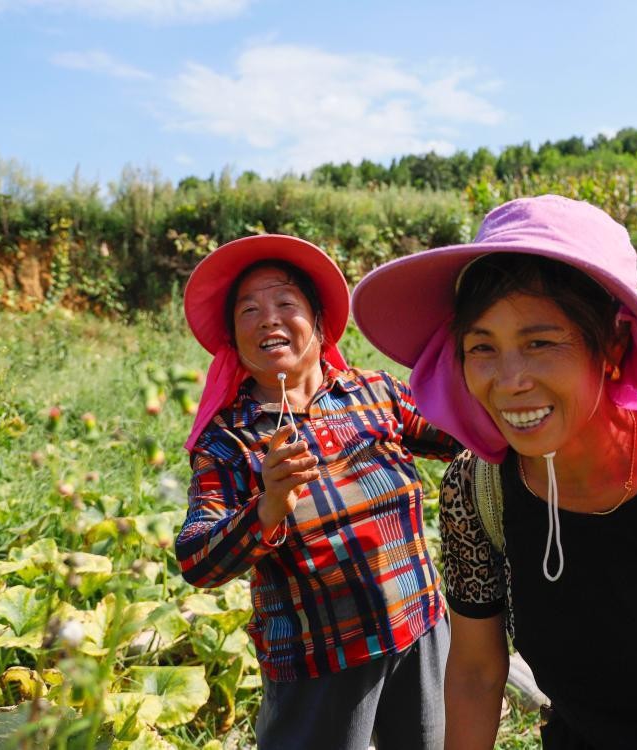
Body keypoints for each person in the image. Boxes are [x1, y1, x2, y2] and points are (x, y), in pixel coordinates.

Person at [352, 196, 637, 749]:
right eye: (482, 347)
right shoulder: (476, 488)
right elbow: (474, 674)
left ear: (612, 345)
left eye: (541, 343)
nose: (509, 380)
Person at [174, 233, 458, 750]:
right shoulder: (228, 440)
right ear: (234, 340)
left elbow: (461, 433)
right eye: (249, 310)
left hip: (418, 629)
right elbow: (197, 559)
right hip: (317, 661)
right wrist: (267, 509)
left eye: (286, 302)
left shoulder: (374, 393)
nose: (269, 319)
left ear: (320, 324)